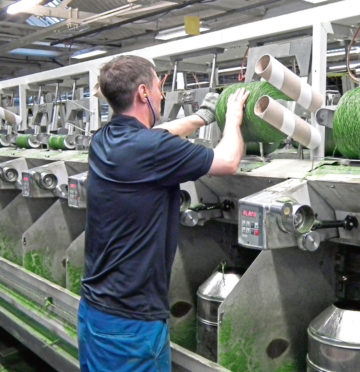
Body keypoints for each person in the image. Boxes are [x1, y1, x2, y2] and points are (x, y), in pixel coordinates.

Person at [77, 55, 249, 372]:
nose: (161, 94)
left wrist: (201, 117)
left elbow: (162, 132)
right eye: (158, 87)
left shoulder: (102, 140)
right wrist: (234, 120)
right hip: (132, 325)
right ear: (143, 93)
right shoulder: (152, 148)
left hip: (95, 313)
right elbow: (228, 162)